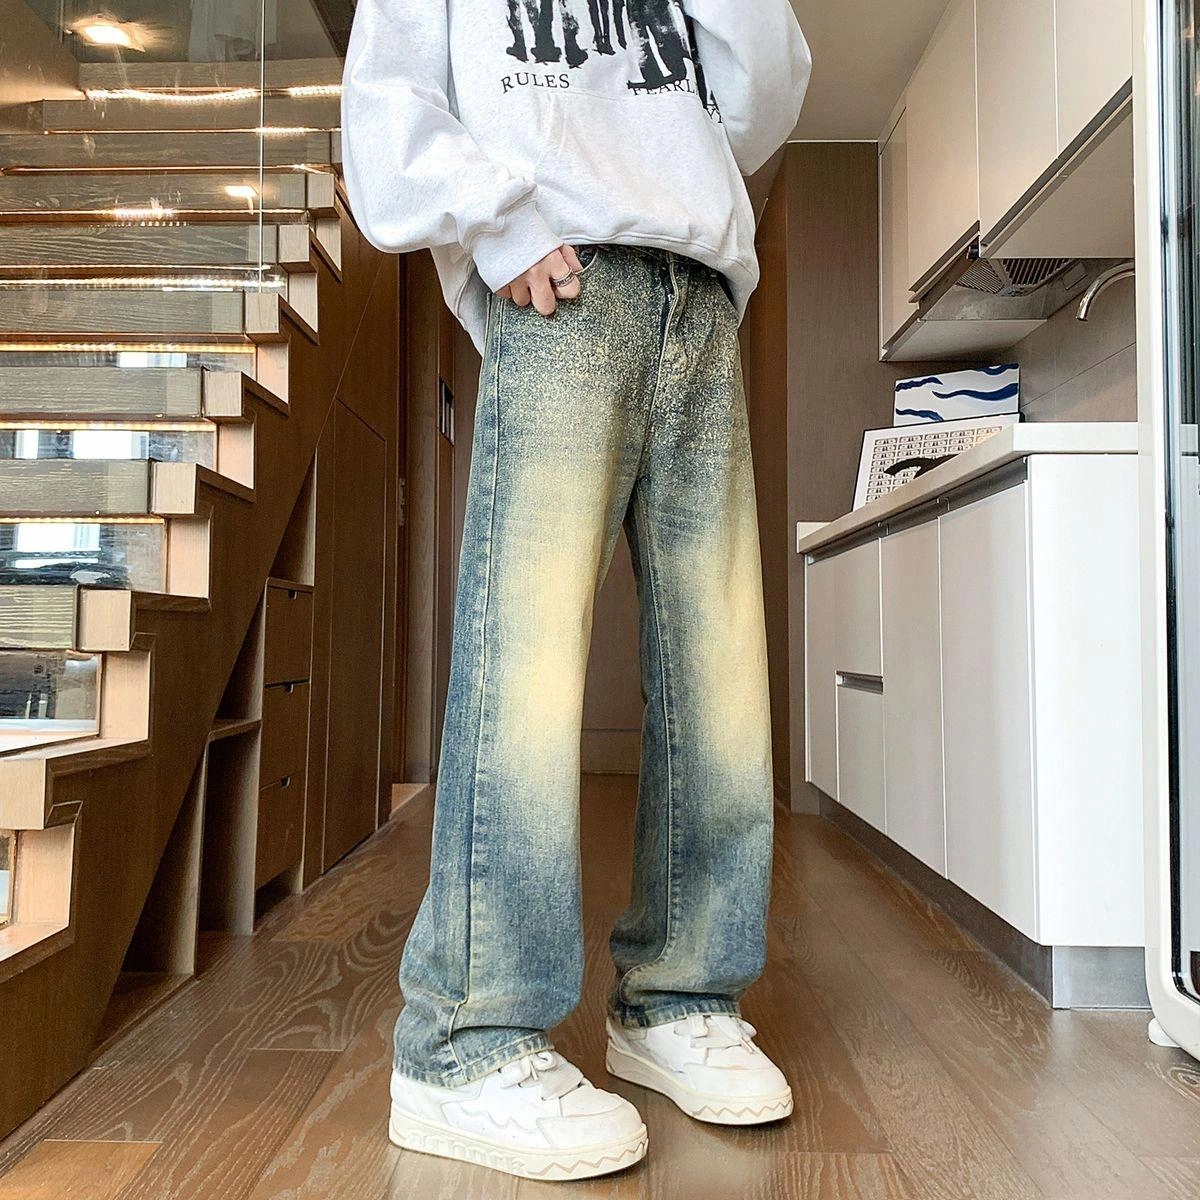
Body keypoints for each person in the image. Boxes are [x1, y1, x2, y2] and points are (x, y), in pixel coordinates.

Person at [341, 0, 811, 1182]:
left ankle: (680, 999)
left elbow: (761, 97)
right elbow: (387, 99)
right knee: (529, 671)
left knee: (721, 676)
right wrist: (497, 220)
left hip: (701, 291)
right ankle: (465, 1040)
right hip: (561, 277)